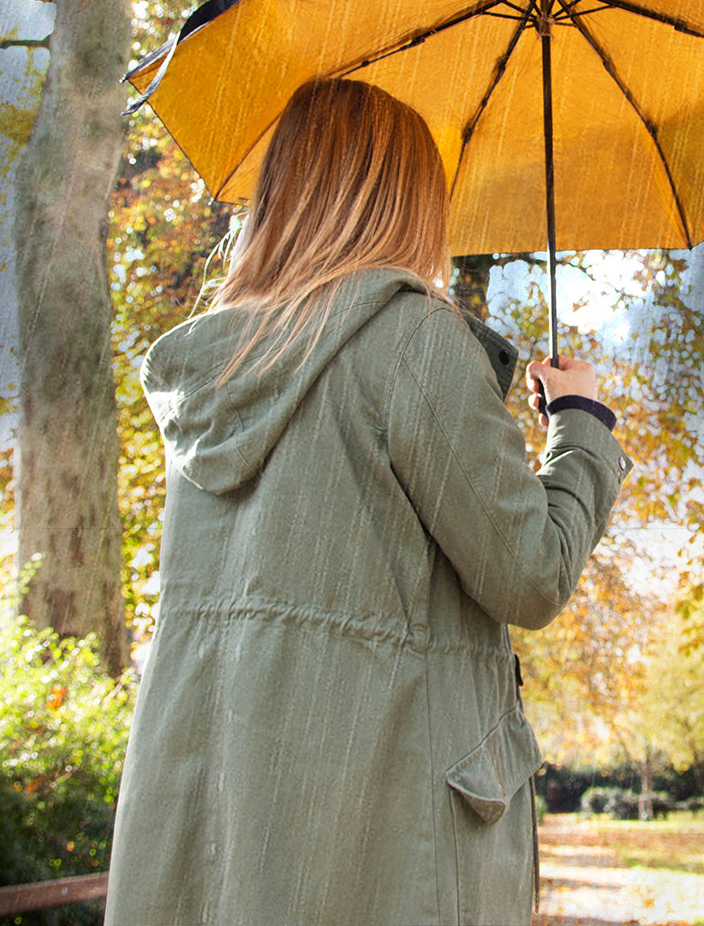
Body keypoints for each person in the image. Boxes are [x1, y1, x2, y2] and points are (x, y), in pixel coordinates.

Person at [104, 78, 630, 926]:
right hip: (378, 847)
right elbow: (531, 574)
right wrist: (581, 424)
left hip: (220, 837)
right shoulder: (414, 343)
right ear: (404, 200)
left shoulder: (214, 372)